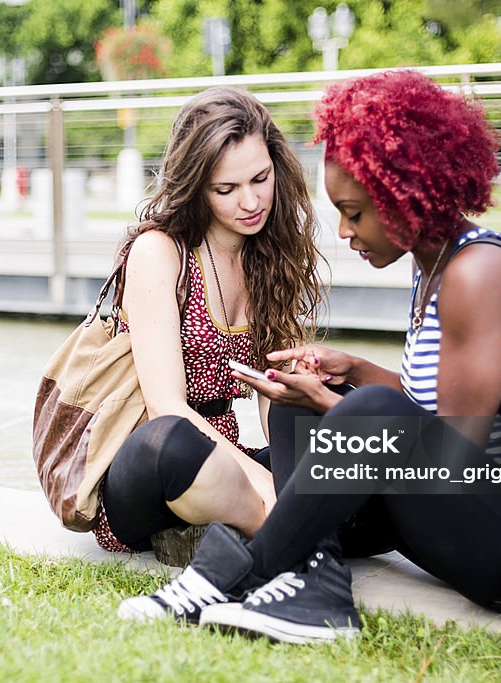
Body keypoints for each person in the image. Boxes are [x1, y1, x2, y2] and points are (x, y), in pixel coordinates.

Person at [117, 71, 501, 643]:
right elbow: (444, 417)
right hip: (478, 511)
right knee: (304, 407)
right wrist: (354, 376)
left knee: (358, 410)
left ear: (404, 197)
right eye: (339, 211)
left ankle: (243, 574)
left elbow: (453, 448)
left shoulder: (476, 274)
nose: (340, 231)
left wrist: (345, 408)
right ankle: (312, 584)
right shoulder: (438, 265)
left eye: (354, 212)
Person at [86, 87, 325, 559]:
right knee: (172, 442)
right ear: (197, 186)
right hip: (154, 466)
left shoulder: (269, 256)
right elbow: (166, 407)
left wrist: (297, 457)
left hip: (226, 469)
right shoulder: (160, 252)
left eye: (260, 178)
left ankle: (286, 517)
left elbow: (273, 391)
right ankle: (293, 536)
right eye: (226, 189)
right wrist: (265, 480)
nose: (251, 201)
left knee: (341, 442)